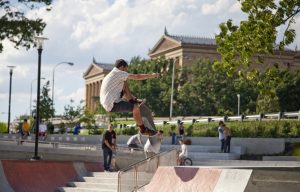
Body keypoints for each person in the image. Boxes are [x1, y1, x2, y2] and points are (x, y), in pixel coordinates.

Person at [100, 59, 160, 136]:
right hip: (112, 103)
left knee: (125, 83)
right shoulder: (118, 73)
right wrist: (152, 75)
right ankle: (143, 130)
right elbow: (137, 77)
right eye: (126, 70)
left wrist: (135, 99)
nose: (126, 72)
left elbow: (125, 92)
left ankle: (133, 101)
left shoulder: (112, 75)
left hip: (110, 102)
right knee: (135, 107)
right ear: (122, 67)